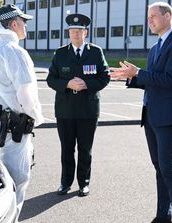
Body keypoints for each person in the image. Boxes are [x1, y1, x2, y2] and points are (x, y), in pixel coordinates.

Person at [109, 2, 172, 223]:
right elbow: (152, 81)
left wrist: (139, 72)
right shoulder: (155, 47)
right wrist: (130, 77)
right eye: (148, 17)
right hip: (151, 115)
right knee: (159, 168)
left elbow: (168, 80)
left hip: (168, 115)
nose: (149, 21)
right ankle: (163, 216)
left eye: (153, 16)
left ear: (167, 16)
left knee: (168, 169)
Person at [0, 4, 44, 220]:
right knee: (17, 180)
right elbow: (25, 95)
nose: (26, 26)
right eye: (23, 22)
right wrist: (37, 117)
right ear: (14, 24)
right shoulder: (15, 51)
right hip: (13, 130)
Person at [46, 13, 110, 197]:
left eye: (79, 30)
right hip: (65, 110)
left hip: (87, 110)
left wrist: (87, 85)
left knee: (85, 149)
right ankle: (65, 183)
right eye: (72, 30)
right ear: (68, 33)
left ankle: (84, 183)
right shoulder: (60, 53)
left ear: (86, 33)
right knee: (66, 149)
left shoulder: (96, 52)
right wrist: (67, 84)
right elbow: (51, 79)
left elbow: (105, 77)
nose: (75, 33)